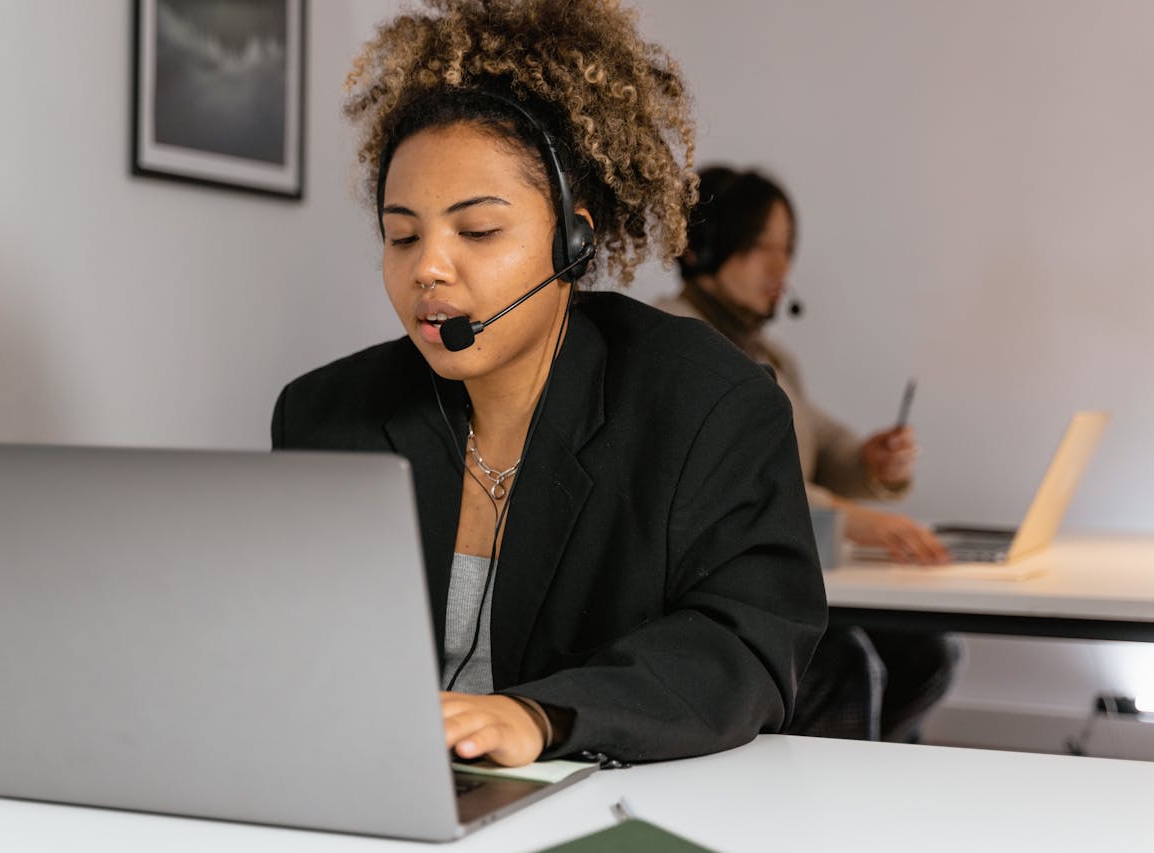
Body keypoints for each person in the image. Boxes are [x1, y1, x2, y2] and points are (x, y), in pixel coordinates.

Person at [271, 1, 825, 767]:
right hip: (376, 787)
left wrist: (540, 715)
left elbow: (749, 643)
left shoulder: (704, 403)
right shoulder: (325, 415)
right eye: (402, 235)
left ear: (573, 241)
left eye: (477, 231)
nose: (427, 267)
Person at [656, 166, 960, 741]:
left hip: (789, 579)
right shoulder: (676, 342)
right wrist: (851, 518)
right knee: (848, 665)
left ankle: (877, 796)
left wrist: (872, 462)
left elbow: (822, 440)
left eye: (787, 250)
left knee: (928, 652)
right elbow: (742, 486)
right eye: (759, 248)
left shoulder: (767, 355)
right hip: (718, 595)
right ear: (703, 248)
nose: (781, 269)